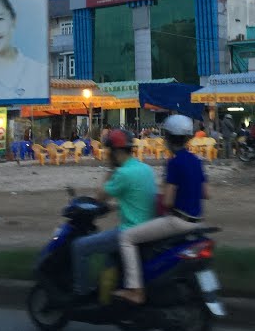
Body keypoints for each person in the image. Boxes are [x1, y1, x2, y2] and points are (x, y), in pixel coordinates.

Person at [114, 115, 208, 305]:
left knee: (126, 238)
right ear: (188, 137)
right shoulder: (196, 160)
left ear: (168, 137)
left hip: (177, 222)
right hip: (197, 222)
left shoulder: (173, 162)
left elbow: (168, 201)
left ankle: (135, 290)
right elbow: (206, 193)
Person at [70, 129, 157, 302]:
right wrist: (114, 206)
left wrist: (110, 170)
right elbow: (135, 198)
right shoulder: (145, 169)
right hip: (148, 227)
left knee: (79, 246)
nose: (107, 154)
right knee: (109, 259)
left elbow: (99, 196)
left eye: (109, 151)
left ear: (116, 151)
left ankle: (81, 293)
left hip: (130, 230)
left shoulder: (123, 173)